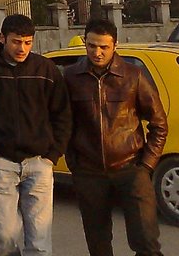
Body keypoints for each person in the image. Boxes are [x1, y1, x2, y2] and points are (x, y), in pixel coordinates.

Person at [0, 14, 71, 256]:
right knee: (4, 237)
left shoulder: (45, 69)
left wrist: (52, 155)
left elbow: (62, 115)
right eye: (17, 42)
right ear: (2, 38)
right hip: (1, 165)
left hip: (39, 164)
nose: (23, 48)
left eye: (28, 42)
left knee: (40, 242)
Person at [63, 18, 168, 256]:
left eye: (103, 47)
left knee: (146, 242)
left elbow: (159, 123)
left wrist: (146, 166)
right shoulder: (70, 77)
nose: (97, 52)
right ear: (85, 43)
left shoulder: (133, 76)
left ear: (115, 45)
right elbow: (64, 122)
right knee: (98, 243)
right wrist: (75, 163)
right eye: (91, 46)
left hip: (131, 169)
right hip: (89, 173)